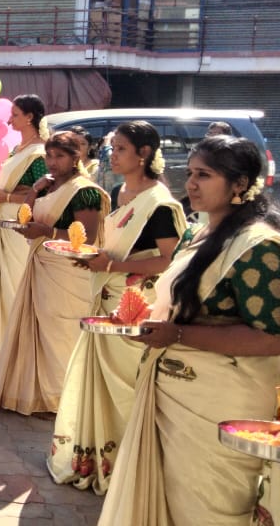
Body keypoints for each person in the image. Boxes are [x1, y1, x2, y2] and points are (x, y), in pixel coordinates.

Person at [99, 136, 280, 525]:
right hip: (173, 390)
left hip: (219, 402)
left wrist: (179, 336)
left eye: (205, 175)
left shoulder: (259, 246)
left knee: (207, 506)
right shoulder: (200, 233)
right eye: (191, 173)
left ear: (240, 185)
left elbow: (273, 338)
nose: (192, 183)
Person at [48, 121, 185, 494]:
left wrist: (111, 266)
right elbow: (108, 247)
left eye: (121, 148)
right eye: (112, 148)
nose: (113, 155)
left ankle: (130, 465)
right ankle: (94, 458)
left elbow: (172, 262)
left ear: (144, 154)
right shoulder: (119, 192)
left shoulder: (159, 204)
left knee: (127, 386)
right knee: (100, 385)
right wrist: (91, 257)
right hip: (105, 298)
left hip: (136, 308)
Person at [0, 131, 110, 415]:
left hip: (67, 272)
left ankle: (60, 399)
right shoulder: (48, 187)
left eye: (60, 156)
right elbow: (25, 216)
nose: (52, 162)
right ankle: (36, 395)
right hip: (40, 263)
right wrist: (33, 191)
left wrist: (47, 232)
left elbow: (89, 237)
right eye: (49, 156)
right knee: (38, 331)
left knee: (59, 334)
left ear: (75, 158)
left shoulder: (85, 192)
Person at [0, 94, 49, 364]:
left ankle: (16, 347)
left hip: (20, 220)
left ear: (30, 117)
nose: (10, 119)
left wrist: (6, 198)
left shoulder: (39, 152)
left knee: (14, 281)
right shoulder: (20, 149)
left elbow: (40, 192)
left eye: (15, 115)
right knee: (0, 280)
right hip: (5, 215)